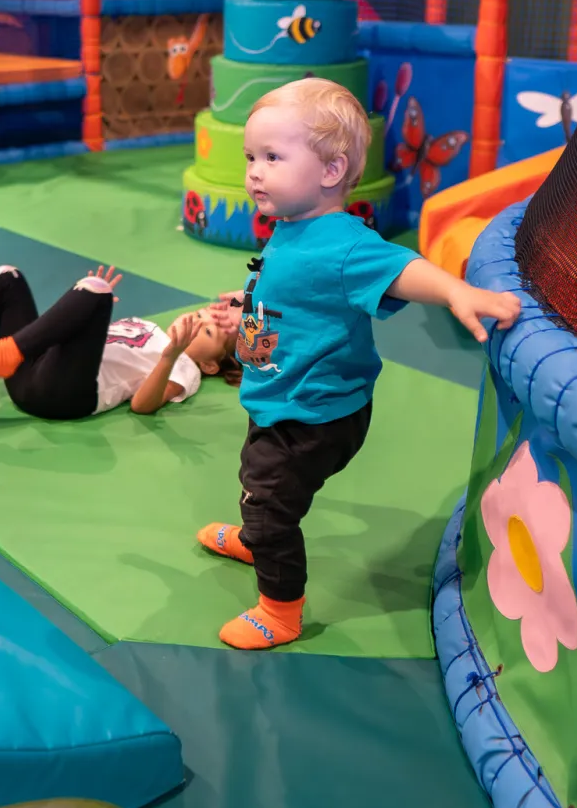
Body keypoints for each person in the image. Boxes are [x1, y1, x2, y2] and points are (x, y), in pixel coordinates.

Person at [195, 78, 523, 650]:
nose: (254, 173)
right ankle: (256, 535)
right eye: (250, 157)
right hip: (279, 398)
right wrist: (247, 306)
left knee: (270, 501)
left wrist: (455, 291)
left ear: (331, 170)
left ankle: (279, 611)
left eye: (272, 157)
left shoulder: (343, 243)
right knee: (258, 482)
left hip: (313, 416)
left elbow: (401, 268)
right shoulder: (294, 228)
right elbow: (296, 293)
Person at [0, 265, 240, 419]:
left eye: (208, 332)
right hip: (35, 373)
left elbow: (142, 406)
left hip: (65, 398)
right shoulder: (145, 325)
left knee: (95, 291)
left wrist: (170, 355)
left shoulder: (186, 368)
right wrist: (87, 308)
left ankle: (7, 353)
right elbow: (72, 341)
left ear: (211, 364)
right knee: (5, 276)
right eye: (200, 315)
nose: (196, 323)